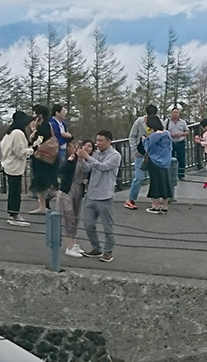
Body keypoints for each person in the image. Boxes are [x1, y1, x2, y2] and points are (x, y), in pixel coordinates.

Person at [79, 130, 121, 263]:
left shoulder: (115, 156)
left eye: (100, 141)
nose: (97, 144)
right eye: (96, 140)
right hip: (91, 194)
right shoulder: (96, 154)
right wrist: (81, 158)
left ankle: (108, 252)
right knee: (88, 225)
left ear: (109, 141)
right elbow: (88, 169)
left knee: (107, 227)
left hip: (105, 195)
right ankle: (96, 248)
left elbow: (103, 167)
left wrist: (88, 157)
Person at [58, 139, 93, 257]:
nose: (87, 148)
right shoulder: (71, 159)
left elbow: (89, 171)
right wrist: (70, 160)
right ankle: (69, 246)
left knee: (76, 217)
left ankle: (74, 243)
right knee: (69, 217)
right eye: (85, 146)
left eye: (90, 147)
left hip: (79, 189)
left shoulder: (88, 161)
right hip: (67, 190)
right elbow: (61, 170)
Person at [1, 111, 33, 226]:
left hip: (8, 164)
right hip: (15, 166)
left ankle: (12, 214)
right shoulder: (18, 133)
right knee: (15, 192)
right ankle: (15, 215)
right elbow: (20, 152)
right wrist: (32, 150)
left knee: (12, 191)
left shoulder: (9, 133)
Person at [125, 104, 156, 210]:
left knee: (154, 177)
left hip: (153, 154)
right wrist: (134, 150)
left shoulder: (157, 121)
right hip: (140, 153)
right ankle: (130, 199)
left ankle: (154, 200)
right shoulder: (139, 121)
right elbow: (132, 135)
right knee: (139, 177)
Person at [29, 104, 58, 214]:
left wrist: (34, 130)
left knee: (47, 182)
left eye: (34, 112)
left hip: (44, 158)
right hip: (42, 158)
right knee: (41, 183)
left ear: (39, 114)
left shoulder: (45, 125)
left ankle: (58, 203)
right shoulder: (43, 125)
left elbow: (39, 141)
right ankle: (42, 206)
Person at [143, 115, 172, 214]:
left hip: (155, 161)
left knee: (155, 184)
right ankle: (165, 206)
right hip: (166, 161)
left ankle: (156, 206)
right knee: (165, 183)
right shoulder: (167, 133)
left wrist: (144, 140)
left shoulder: (155, 136)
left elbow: (149, 149)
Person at [165, 107, 189, 180]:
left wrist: (182, 134)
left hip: (180, 142)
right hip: (170, 142)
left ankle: (181, 175)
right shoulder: (167, 122)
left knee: (181, 159)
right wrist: (170, 134)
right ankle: (170, 174)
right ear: (171, 114)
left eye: (177, 112)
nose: (175, 114)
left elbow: (187, 131)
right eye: (174, 112)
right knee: (170, 159)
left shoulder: (182, 122)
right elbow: (162, 131)